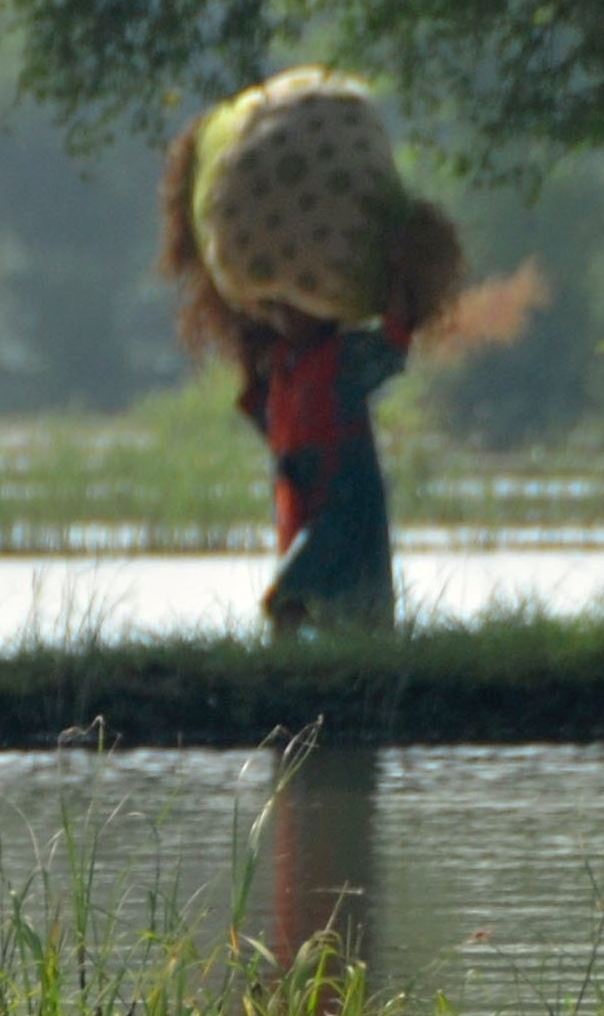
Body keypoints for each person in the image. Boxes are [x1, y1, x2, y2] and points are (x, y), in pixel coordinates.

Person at [158, 124, 461, 638]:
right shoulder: (280, 365)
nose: (285, 316)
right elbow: (268, 419)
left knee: (300, 597)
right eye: (277, 309)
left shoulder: (344, 358)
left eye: (295, 306)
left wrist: (398, 273)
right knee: (325, 599)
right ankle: (313, 670)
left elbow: (393, 343)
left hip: (345, 495)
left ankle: (300, 665)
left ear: (322, 310)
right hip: (300, 492)